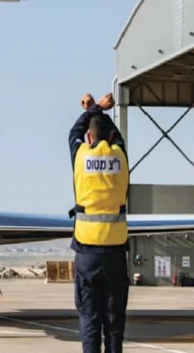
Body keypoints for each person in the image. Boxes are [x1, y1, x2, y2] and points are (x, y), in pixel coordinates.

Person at [68, 92, 131, 353]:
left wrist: (94, 108)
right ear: (111, 138)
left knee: (90, 319)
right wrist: (100, 111)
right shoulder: (120, 157)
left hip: (87, 252)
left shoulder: (81, 158)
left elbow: (74, 132)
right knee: (114, 322)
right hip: (116, 252)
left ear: (89, 138)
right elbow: (116, 136)